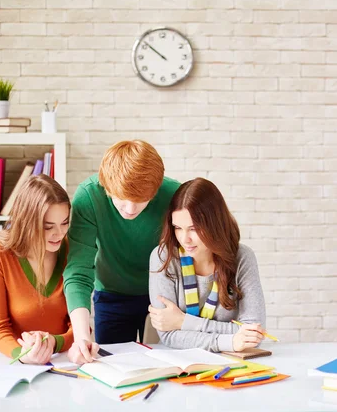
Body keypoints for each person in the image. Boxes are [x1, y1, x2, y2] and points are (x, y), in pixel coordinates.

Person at [64, 140, 179, 363]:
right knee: (113, 366)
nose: (130, 208)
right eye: (121, 199)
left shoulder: (175, 195)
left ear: (155, 191)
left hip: (164, 297)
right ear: (106, 187)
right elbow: (79, 271)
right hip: (111, 297)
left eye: (141, 200)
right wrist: (81, 337)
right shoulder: (89, 197)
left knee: (167, 368)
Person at [148, 178, 266, 352]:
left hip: (229, 363)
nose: (184, 239)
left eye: (194, 228)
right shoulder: (164, 257)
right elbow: (168, 335)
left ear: (214, 224)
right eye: (178, 228)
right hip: (179, 362)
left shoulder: (242, 258)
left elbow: (253, 334)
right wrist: (229, 341)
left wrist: (183, 322)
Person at [0, 175, 73, 364]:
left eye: (64, 223)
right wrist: (24, 356)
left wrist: (54, 342)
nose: (59, 234)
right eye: (48, 227)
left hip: (63, 362)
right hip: (16, 364)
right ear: (27, 223)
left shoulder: (69, 248)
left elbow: (79, 327)